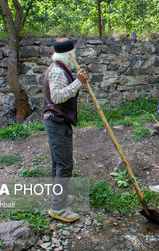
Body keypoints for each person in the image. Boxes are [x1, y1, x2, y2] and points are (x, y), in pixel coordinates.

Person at [42, 38, 87, 222]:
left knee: (57, 163)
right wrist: (78, 83)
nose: (74, 56)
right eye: (73, 53)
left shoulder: (60, 68)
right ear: (69, 54)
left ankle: (58, 197)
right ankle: (58, 208)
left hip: (57, 122)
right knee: (65, 165)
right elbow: (57, 97)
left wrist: (77, 80)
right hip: (56, 122)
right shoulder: (57, 71)